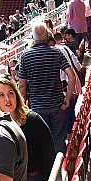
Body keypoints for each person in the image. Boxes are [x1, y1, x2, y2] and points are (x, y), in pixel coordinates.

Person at [17, 22, 80, 151]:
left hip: (37, 107)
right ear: (47, 36)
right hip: (57, 105)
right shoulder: (56, 52)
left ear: (33, 38)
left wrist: (22, 106)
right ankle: (61, 167)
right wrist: (67, 98)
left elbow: (22, 85)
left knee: (43, 142)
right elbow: (71, 76)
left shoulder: (25, 56)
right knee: (59, 140)